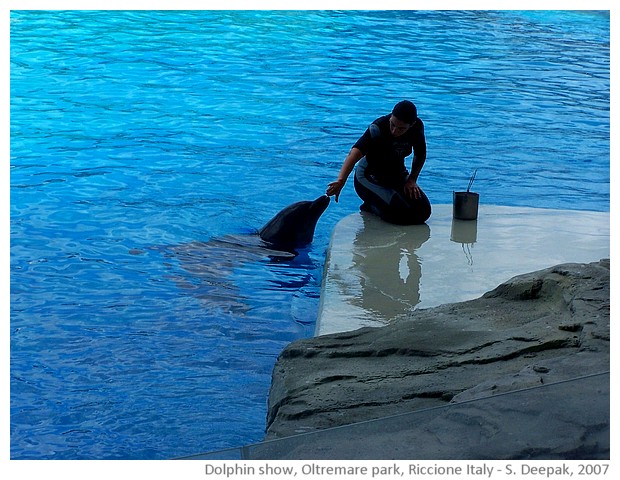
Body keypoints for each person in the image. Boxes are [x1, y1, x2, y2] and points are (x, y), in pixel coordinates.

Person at [326, 100, 431, 225]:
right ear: (390, 117)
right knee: (401, 215)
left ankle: (378, 203)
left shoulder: (417, 127)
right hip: (368, 177)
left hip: (396, 174)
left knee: (423, 211)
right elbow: (354, 154)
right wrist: (341, 180)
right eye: (392, 125)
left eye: (401, 129)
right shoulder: (378, 128)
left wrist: (412, 180)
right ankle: (370, 206)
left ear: (412, 124)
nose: (394, 131)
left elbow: (420, 154)